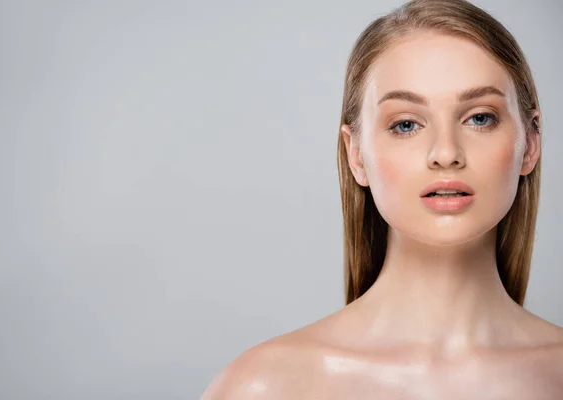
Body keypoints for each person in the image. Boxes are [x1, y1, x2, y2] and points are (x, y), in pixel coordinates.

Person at [201, 0, 563, 398]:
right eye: (405, 124)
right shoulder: (264, 387)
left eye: (479, 118)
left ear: (530, 142)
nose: (445, 152)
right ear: (356, 154)